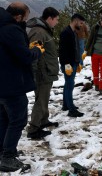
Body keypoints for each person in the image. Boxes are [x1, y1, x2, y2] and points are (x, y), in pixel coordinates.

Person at [0, 2, 43, 172]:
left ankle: (4, 150)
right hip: (12, 83)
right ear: (18, 16)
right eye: (25, 16)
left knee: (4, 118)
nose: (26, 19)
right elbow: (25, 57)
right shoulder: (11, 30)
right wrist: (37, 51)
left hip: (3, 83)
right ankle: (8, 156)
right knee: (18, 120)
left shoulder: (3, 27)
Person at [26, 7, 60, 139]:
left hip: (47, 71)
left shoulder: (44, 30)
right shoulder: (39, 32)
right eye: (56, 20)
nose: (57, 22)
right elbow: (33, 55)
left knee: (44, 98)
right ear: (50, 18)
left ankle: (43, 120)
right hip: (42, 72)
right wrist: (34, 74)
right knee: (40, 100)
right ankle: (33, 129)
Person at [59, 13, 86, 117]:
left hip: (73, 62)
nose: (82, 25)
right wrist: (66, 64)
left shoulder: (73, 32)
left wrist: (78, 61)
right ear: (75, 21)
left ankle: (66, 105)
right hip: (68, 64)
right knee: (69, 85)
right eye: (81, 23)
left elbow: (75, 49)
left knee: (68, 84)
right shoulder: (66, 33)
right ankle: (71, 109)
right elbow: (62, 51)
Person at [82, 13, 102, 95]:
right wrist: (86, 51)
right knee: (95, 70)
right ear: (100, 21)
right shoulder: (96, 27)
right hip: (95, 53)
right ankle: (96, 85)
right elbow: (90, 39)